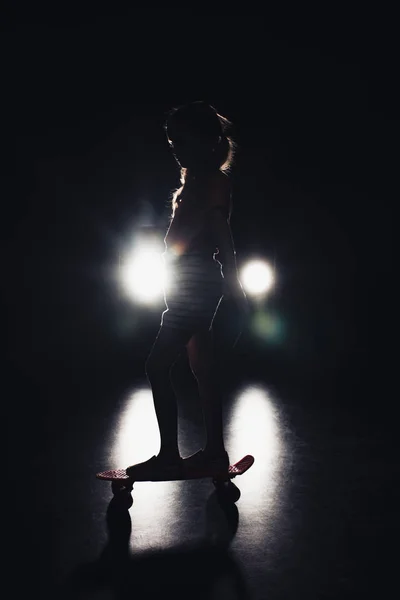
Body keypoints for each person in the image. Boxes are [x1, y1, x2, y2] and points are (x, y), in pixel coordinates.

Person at [127, 101, 248, 479]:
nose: (174, 146)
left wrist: (234, 280)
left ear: (205, 141)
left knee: (157, 366)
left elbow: (219, 229)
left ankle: (168, 455)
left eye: (180, 139)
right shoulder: (197, 178)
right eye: (171, 140)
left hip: (196, 283)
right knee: (202, 368)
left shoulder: (212, 180)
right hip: (188, 280)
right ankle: (214, 451)